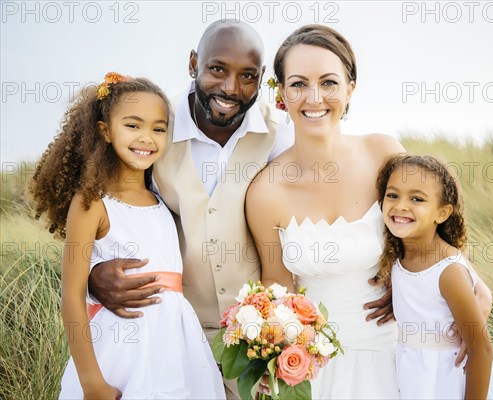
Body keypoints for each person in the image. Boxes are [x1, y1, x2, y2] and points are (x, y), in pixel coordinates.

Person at [85, 20, 393, 398]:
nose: (231, 88)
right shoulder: (154, 131)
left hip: (253, 344)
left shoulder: (280, 133)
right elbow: (106, 206)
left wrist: (404, 278)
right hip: (175, 331)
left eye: (247, 76)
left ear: (263, 79)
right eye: (217, 69)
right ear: (193, 63)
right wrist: (91, 275)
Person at [245, 25, 493, 398]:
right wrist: (268, 360)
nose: (314, 97)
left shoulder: (382, 152)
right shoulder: (265, 192)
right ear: (281, 93)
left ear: (350, 89)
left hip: (399, 356)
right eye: (298, 84)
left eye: (329, 82)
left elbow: (431, 232)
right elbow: (276, 288)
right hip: (317, 367)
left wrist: (475, 285)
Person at [30, 73, 225, 399]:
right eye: (133, 125)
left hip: (176, 349)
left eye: (158, 128)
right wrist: (92, 382)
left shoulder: (163, 200)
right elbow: (72, 298)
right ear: (105, 131)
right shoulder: (92, 203)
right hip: (120, 350)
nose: (146, 138)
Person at [377, 154, 493, 399]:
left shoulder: (447, 271)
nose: (401, 205)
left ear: (441, 213)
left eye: (417, 199)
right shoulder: (400, 258)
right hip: (414, 376)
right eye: (392, 195)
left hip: (449, 379)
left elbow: (481, 349)